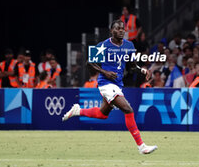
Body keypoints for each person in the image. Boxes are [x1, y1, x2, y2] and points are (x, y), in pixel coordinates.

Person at [62, 19, 157, 154]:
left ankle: (78, 111)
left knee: (102, 114)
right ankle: (141, 146)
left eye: (123, 28)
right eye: (117, 29)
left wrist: (142, 70)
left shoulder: (129, 45)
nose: (121, 31)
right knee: (128, 109)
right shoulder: (104, 45)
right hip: (105, 84)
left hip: (118, 84)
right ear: (111, 31)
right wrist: (104, 72)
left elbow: (131, 65)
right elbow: (89, 63)